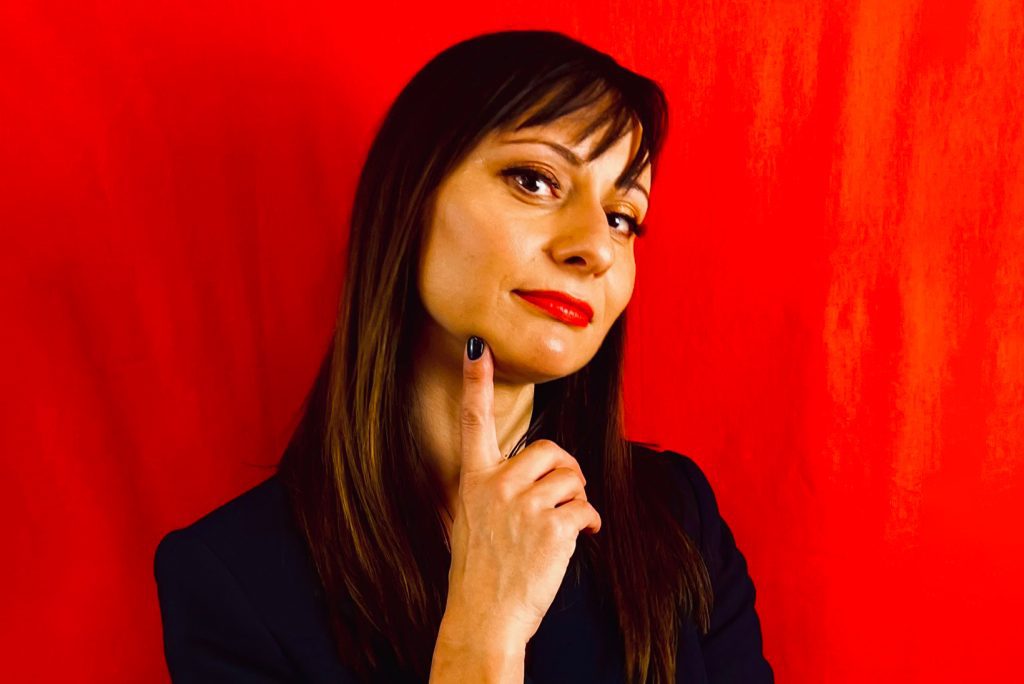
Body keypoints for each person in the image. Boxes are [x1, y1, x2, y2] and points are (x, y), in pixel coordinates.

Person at [153, 29, 774, 684]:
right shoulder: (234, 581)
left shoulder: (677, 518)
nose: (595, 247)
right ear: (411, 200)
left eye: (622, 217)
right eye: (534, 181)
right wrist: (483, 634)